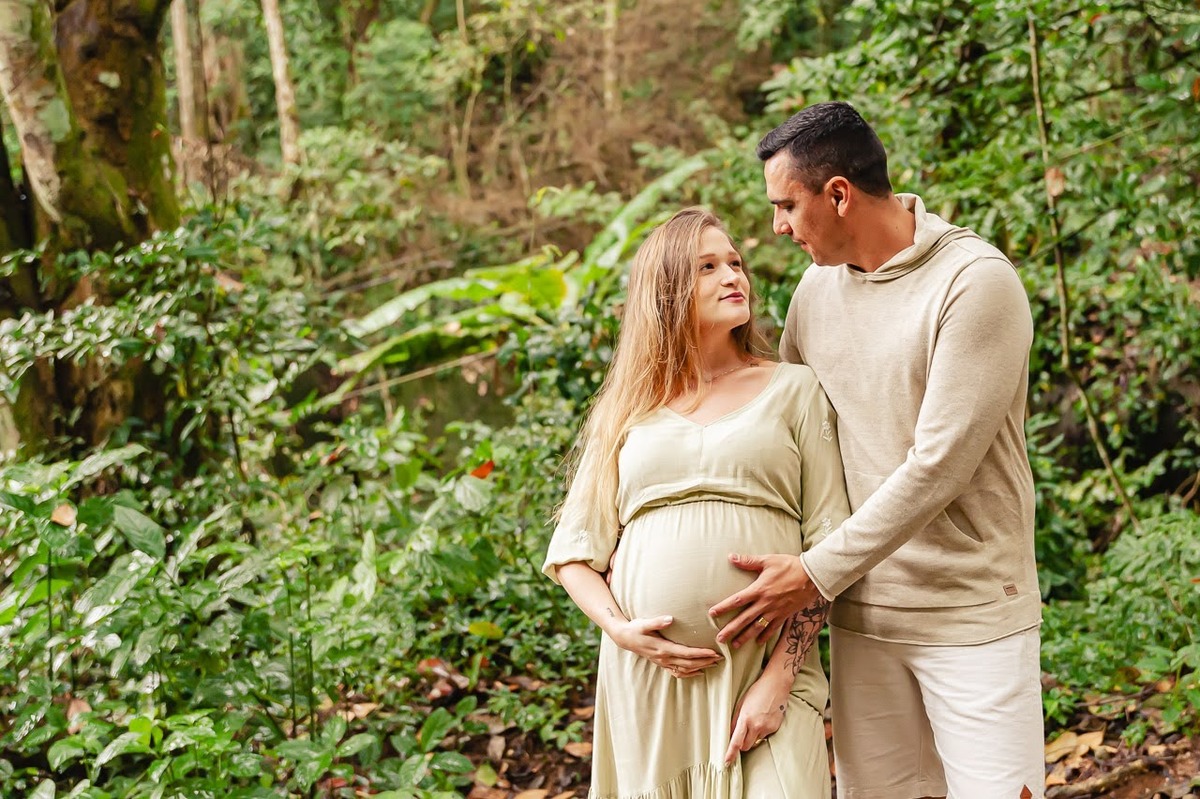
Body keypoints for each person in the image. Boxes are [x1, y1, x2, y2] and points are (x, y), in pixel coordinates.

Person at [708, 101, 1045, 799]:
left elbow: (939, 465)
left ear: (838, 194)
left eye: (786, 206)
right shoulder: (815, 292)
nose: (777, 227)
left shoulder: (973, 282)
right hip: (863, 618)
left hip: (971, 615)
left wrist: (813, 572)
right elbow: (792, 443)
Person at [543, 207, 850, 798]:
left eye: (734, 262)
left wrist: (779, 681)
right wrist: (622, 631)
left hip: (764, 675)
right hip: (651, 680)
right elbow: (575, 553)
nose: (733, 276)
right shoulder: (628, 410)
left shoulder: (795, 388)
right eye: (707, 267)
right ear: (666, 292)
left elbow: (829, 548)